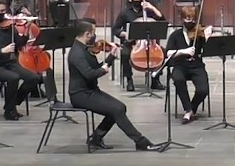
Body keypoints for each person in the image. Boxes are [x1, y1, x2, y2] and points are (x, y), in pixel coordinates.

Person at [67, 20, 167, 152]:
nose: (95, 36)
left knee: (119, 108)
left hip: (90, 91)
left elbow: (96, 67)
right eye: (93, 33)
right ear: (87, 34)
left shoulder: (84, 49)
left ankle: (96, 138)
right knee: (116, 109)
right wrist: (103, 70)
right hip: (80, 95)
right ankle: (141, 142)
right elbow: (90, 74)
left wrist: (112, 56)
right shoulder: (77, 53)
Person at [0, 0, 43, 120]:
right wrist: (2, 50)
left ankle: (12, 103)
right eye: (1, 11)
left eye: (5, 11)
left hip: (8, 63)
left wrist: (27, 29)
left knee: (34, 78)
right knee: (13, 77)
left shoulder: (8, 26)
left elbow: (19, 44)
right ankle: (10, 111)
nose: (4, 14)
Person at [112, 0, 166, 92]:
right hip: (132, 43)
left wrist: (152, 8)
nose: (137, 0)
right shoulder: (125, 13)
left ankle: (155, 80)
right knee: (125, 54)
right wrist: (125, 34)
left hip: (150, 42)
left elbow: (162, 20)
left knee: (163, 53)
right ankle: (129, 80)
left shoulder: (148, 10)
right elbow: (115, 29)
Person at [164, 5, 212, 124]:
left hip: (197, 66)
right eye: (187, 18)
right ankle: (188, 109)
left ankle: (191, 110)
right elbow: (168, 52)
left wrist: (207, 39)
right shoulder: (176, 35)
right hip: (180, 65)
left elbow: (207, 51)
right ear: (182, 19)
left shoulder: (199, 34)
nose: (190, 22)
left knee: (203, 90)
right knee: (178, 79)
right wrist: (183, 51)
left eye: (192, 19)